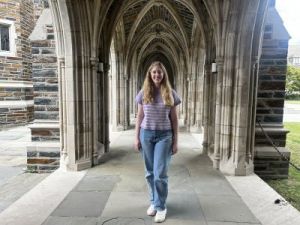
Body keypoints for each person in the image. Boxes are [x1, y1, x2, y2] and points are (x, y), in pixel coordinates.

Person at [135, 61, 181, 223]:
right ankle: (154, 202)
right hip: (146, 135)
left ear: (164, 75)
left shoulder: (171, 93)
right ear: (150, 74)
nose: (157, 75)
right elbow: (139, 117)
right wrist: (136, 137)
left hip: (164, 136)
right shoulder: (143, 93)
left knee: (160, 173)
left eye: (159, 72)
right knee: (150, 173)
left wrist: (176, 141)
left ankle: (161, 207)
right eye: (154, 72)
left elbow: (174, 119)